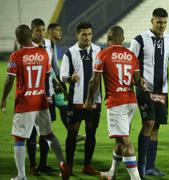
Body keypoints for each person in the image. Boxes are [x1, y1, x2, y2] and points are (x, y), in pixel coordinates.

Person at [0, 24, 70, 180]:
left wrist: (3, 98)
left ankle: (21, 175)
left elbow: (9, 79)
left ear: (18, 39)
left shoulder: (16, 56)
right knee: (48, 134)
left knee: (19, 138)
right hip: (41, 102)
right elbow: (47, 76)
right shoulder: (43, 53)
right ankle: (63, 163)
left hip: (24, 104)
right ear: (30, 36)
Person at [130, 7, 169, 177]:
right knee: (149, 123)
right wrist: (136, 81)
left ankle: (151, 166)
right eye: (159, 22)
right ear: (151, 21)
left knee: (156, 126)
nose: (162, 26)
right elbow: (131, 64)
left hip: (163, 90)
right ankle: (141, 166)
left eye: (165, 22)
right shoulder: (139, 40)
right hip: (145, 89)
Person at [85, 25, 141, 180]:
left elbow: (94, 82)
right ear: (122, 39)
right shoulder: (131, 55)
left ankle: (136, 178)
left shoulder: (103, 54)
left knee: (126, 143)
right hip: (131, 102)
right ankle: (112, 173)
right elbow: (137, 81)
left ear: (108, 38)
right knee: (121, 138)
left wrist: (89, 100)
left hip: (117, 103)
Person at [60, 21, 101, 175]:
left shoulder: (99, 51)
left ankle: (87, 166)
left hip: (94, 101)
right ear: (77, 34)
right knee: (72, 133)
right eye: (84, 34)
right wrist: (70, 78)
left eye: (89, 34)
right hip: (76, 101)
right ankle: (69, 166)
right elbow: (62, 75)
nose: (87, 37)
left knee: (91, 133)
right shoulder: (70, 53)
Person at [26, 18, 58, 175]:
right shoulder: (26, 47)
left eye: (42, 30)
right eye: (37, 30)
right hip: (31, 96)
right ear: (32, 31)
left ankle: (43, 164)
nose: (40, 33)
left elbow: (54, 67)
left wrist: (58, 84)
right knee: (31, 132)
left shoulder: (49, 44)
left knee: (46, 131)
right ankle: (33, 165)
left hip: (48, 95)